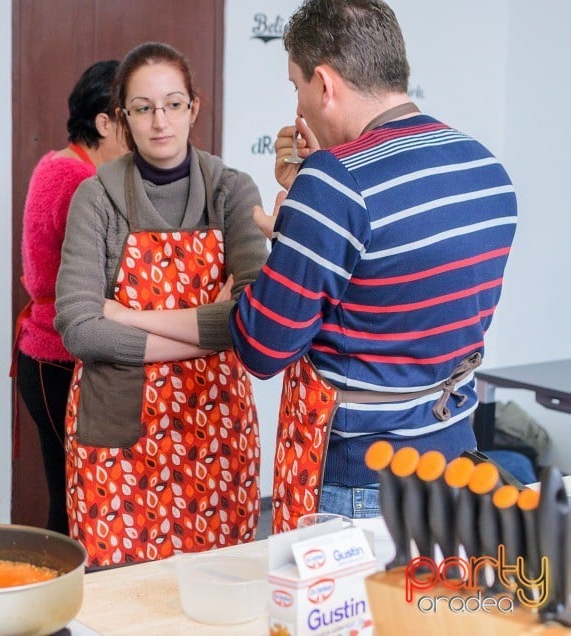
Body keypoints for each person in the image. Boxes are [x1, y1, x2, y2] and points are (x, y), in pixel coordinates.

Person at [229, 0, 518, 533]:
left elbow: (263, 346)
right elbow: (393, 290)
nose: (300, 105)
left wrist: (305, 205)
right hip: (453, 458)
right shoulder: (486, 167)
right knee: (426, 612)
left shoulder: (334, 183)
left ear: (324, 83)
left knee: (350, 620)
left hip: (362, 479)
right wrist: (309, 201)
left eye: (297, 87)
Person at [55, 41, 270, 566]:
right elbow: (80, 329)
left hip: (215, 432)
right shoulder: (96, 197)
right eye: (143, 108)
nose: (160, 122)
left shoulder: (232, 192)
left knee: (217, 588)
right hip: (117, 439)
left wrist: (128, 317)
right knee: (118, 597)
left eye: (173, 104)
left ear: (193, 108)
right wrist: (206, 334)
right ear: (122, 118)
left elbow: (254, 315)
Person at [13, 60, 127, 535]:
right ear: (104, 122)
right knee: (75, 501)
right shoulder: (79, 180)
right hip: (57, 357)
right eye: (133, 112)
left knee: (70, 497)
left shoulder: (60, 164)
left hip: (44, 356)